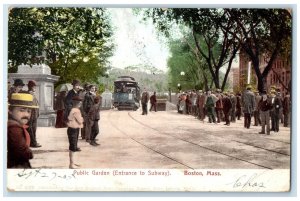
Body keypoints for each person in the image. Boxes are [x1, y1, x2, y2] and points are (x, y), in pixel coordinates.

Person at [7, 93, 38, 168]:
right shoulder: (14, 127)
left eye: (29, 111)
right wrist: (29, 153)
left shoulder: (13, 124)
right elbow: (22, 151)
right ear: (10, 111)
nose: (26, 115)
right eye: (22, 110)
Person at [66, 96, 84, 169]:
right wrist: (82, 119)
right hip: (74, 129)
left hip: (72, 129)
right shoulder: (76, 110)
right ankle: (71, 164)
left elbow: (69, 118)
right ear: (77, 103)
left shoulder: (72, 109)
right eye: (80, 102)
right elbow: (80, 120)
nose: (81, 104)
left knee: (73, 146)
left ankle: (72, 162)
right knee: (73, 147)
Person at [26, 80, 41, 148]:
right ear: (31, 87)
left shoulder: (32, 94)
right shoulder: (29, 94)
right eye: (34, 86)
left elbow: (36, 104)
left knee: (33, 128)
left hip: (34, 113)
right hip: (31, 114)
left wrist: (38, 112)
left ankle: (33, 142)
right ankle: (33, 142)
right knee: (31, 128)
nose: (35, 88)